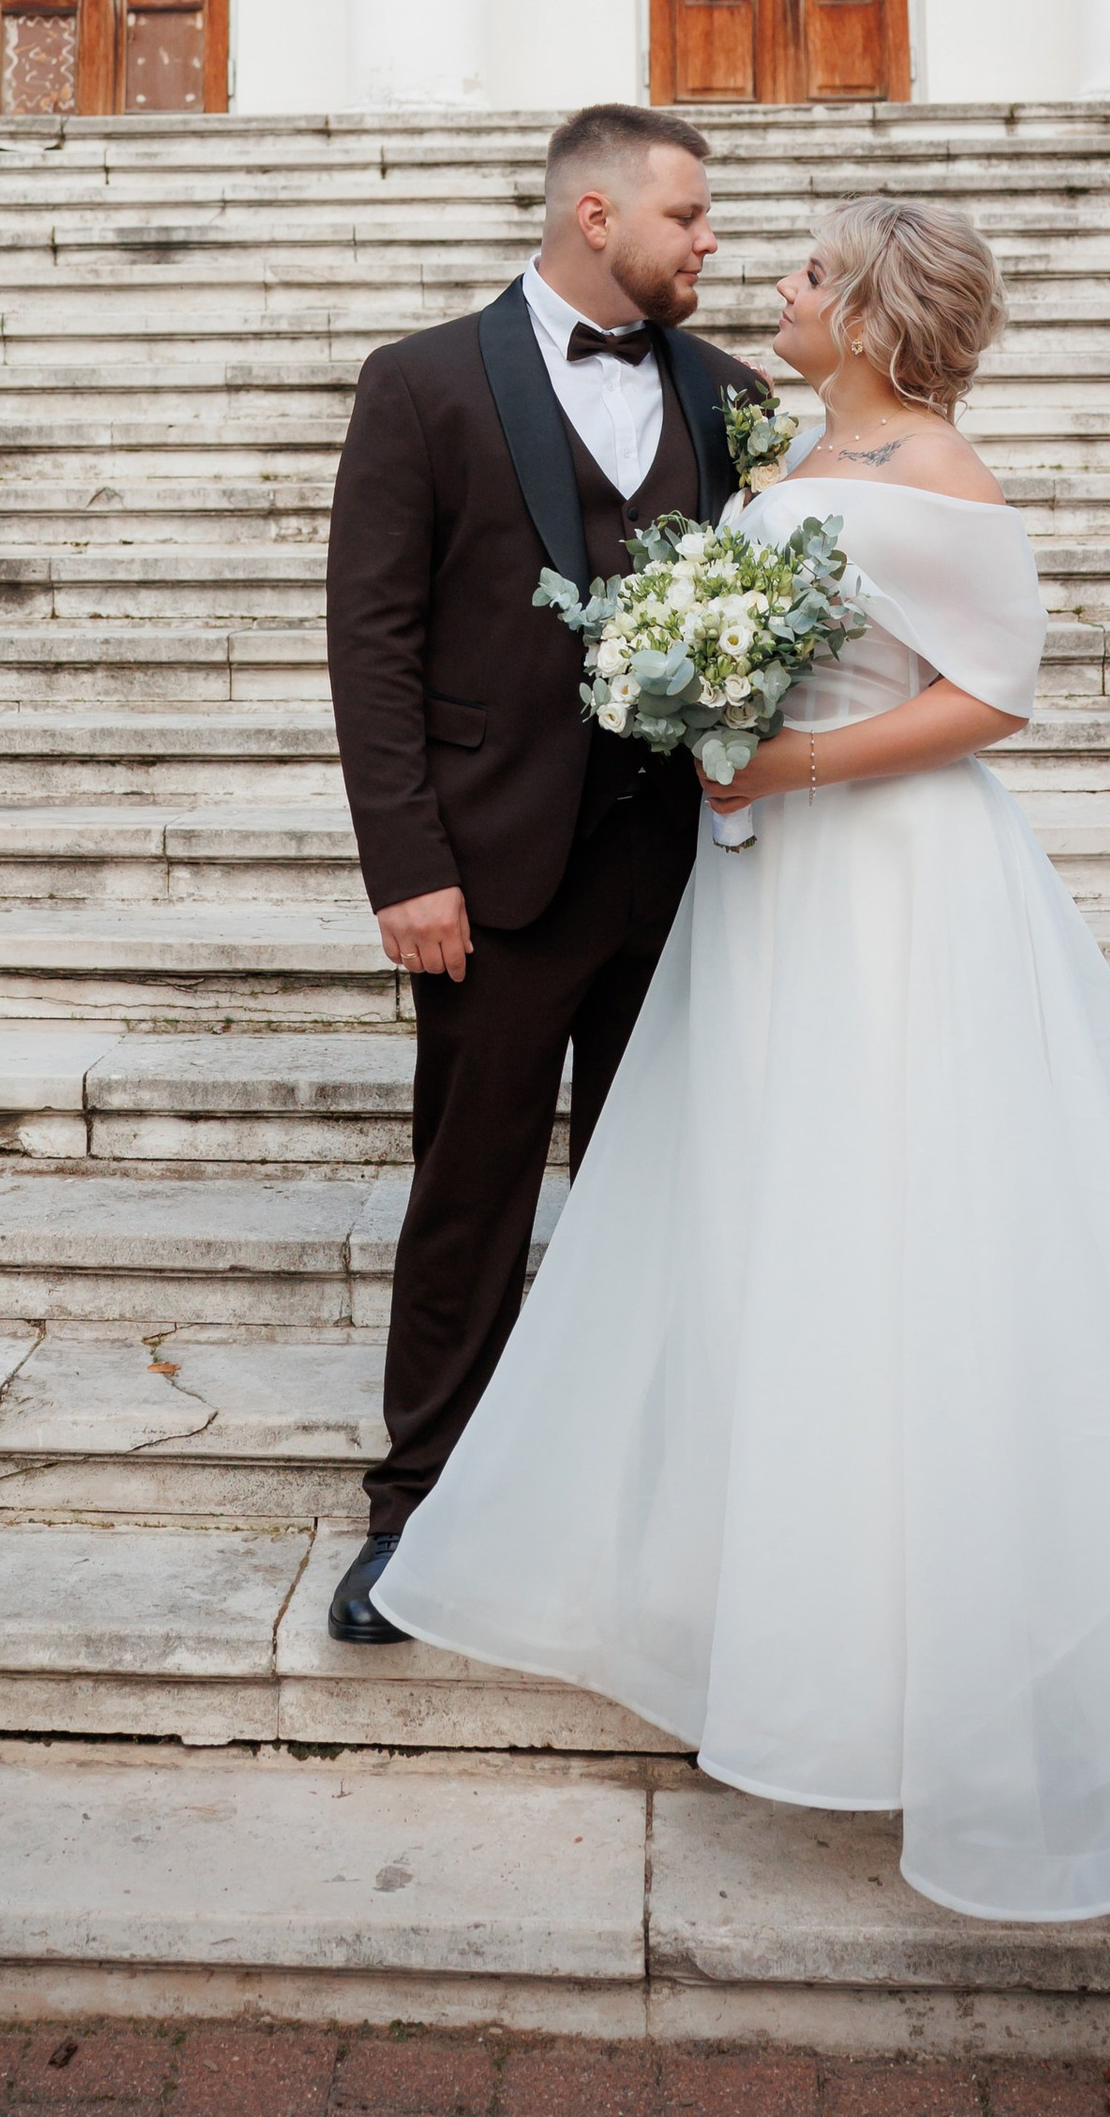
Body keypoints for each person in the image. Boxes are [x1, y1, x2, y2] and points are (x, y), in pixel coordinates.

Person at [371, 194, 1110, 1923]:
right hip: (766, 895)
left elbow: (993, 693)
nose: (777, 287)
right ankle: (763, 1589)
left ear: (879, 313)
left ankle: (922, 1634)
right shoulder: (796, 438)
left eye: (811, 274)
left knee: (903, 1212)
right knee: (767, 1212)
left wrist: (787, 767)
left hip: (889, 879)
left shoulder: (947, 482)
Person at [321, 102, 773, 1643]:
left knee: (662, 1196)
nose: (711, 244)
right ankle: (418, 1513)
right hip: (492, 880)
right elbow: (370, 645)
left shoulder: (733, 397)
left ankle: (645, 1504)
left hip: (681, 875)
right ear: (597, 216)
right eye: (689, 219)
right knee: (470, 1194)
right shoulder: (423, 384)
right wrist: (409, 865)